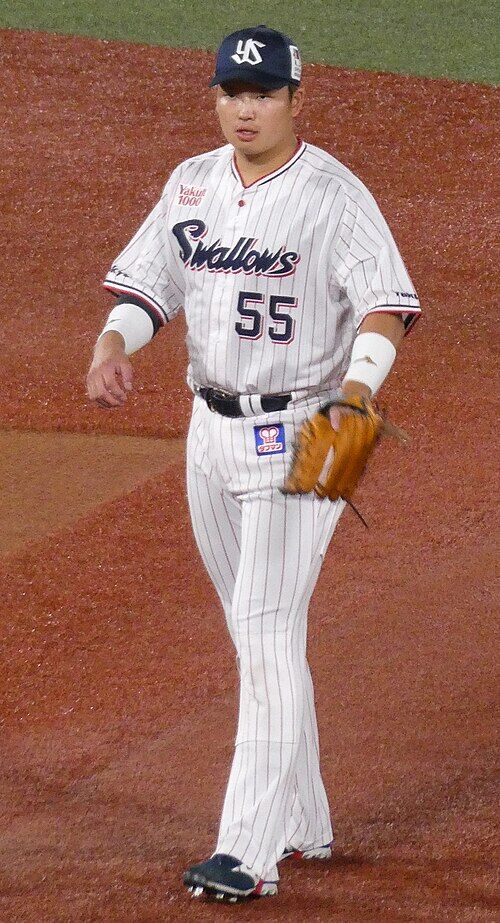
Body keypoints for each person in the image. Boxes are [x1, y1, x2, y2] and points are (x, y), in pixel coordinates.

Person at [86, 24, 421, 903]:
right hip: (210, 430)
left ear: (295, 101)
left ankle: (247, 850)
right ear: (216, 97)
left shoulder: (334, 194)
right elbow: (149, 286)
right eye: (233, 93)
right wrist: (113, 344)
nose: (246, 108)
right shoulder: (191, 181)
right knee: (257, 633)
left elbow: (386, 306)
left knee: (267, 627)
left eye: (264, 94)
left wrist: (358, 389)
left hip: (324, 428)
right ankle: (304, 817)